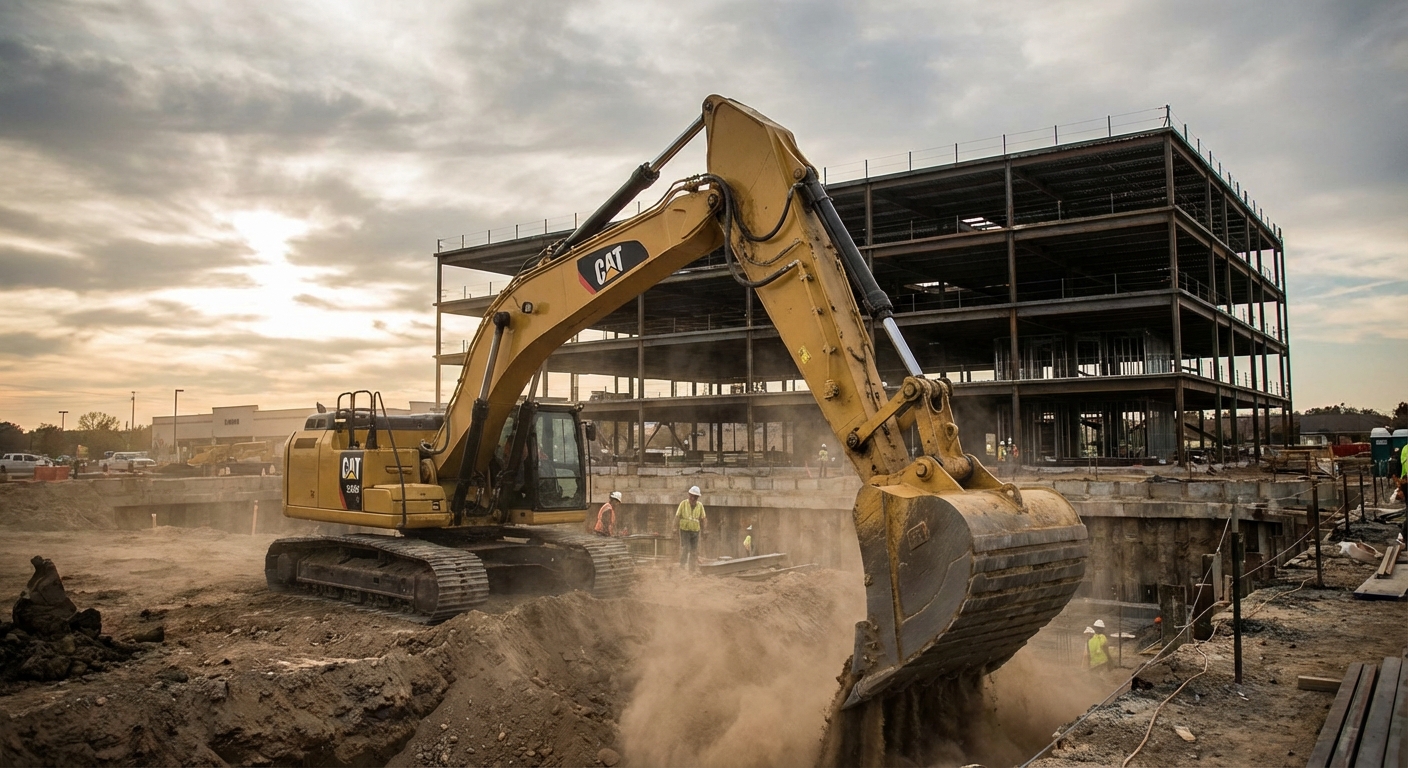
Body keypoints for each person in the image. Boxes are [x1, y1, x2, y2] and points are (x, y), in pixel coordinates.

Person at [676, 485, 706, 572]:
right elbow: (677, 516)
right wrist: (674, 528)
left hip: (695, 531)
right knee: (686, 547)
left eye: (695, 497)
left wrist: (705, 530)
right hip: (684, 530)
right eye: (691, 496)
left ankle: (691, 569)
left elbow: (703, 518)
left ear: (697, 497)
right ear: (689, 495)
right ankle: (682, 566)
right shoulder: (683, 504)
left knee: (694, 550)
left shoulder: (700, 506)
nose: (693, 498)